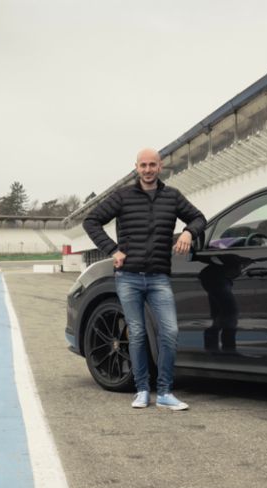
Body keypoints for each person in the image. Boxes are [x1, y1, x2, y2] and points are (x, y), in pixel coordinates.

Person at [83, 148, 205, 410]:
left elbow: (198, 218)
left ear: (160, 167)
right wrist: (112, 250)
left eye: (153, 165)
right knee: (137, 333)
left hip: (159, 277)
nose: (148, 170)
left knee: (170, 332)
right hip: (128, 277)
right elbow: (91, 221)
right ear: (136, 167)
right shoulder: (123, 196)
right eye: (143, 165)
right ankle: (141, 390)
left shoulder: (172, 197)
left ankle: (164, 392)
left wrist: (187, 233)